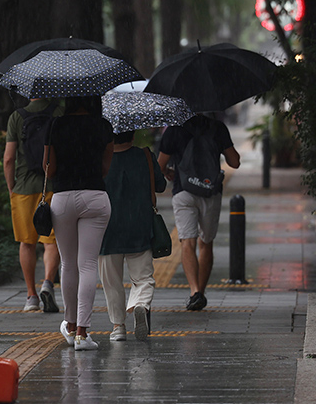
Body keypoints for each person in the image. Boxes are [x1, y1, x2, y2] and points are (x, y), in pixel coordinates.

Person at [45, 96, 114, 351]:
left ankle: (70, 325)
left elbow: (48, 169)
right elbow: (105, 168)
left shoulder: (55, 125)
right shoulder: (104, 126)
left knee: (68, 264)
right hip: (95, 197)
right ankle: (83, 335)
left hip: (62, 198)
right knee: (87, 264)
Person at [158, 114, 240, 311]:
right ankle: (200, 293)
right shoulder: (217, 128)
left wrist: (169, 172)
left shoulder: (174, 130)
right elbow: (234, 162)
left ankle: (194, 292)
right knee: (206, 243)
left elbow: (159, 165)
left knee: (188, 241)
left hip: (183, 191)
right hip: (209, 192)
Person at [98, 131, 166, 342]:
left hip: (107, 229)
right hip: (140, 226)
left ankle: (118, 327)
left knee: (112, 282)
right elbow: (161, 185)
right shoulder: (145, 155)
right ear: (133, 134)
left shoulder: (100, 159)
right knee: (143, 278)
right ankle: (140, 305)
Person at [3, 97, 62, 312]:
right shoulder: (59, 113)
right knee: (51, 240)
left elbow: (9, 159)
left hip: (24, 187)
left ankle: (31, 296)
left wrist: (12, 187)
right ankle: (48, 281)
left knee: (27, 242)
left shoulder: (17, 117)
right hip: (53, 184)